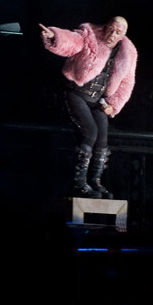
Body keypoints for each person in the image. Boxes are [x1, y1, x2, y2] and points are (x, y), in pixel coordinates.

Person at [40, 16, 137, 199]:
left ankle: (95, 182)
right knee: (90, 132)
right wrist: (55, 36)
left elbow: (127, 81)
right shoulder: (90, 34)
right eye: (110, 29)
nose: (112, 34)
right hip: (77, 93)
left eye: (118, 32)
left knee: (102, 138)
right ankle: (79, 183)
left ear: (123, 35)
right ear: (105, 26)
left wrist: (113, 105)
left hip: (98, 100)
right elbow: (73, 41)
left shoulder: (128, 52)